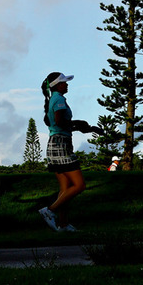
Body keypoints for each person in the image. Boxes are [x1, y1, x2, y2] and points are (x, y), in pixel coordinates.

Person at [38, 72, 100, 233]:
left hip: (55, 144)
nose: (67, 84)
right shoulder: (58, 99)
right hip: (61, 145)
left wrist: (87, 127)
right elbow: (60, 122)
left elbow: (61, 123)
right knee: (79, 185)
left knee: (65, 189)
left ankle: (63, 224)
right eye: (64, 82)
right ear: (57, 85)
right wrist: (78, 124)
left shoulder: (54, 99)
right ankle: (49, 210)